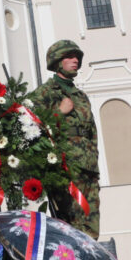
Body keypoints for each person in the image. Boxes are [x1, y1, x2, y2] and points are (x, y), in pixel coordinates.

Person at [29, 39, 100, 239]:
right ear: (57, 61)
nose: (75, 60)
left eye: (77, 57)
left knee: (91, 222)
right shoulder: (44, 93)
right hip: (65, 167)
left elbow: (92, 132)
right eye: (70, 56)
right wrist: (59, 113)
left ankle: (89, 254)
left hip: (88, 166)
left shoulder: (81, 96)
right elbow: (29, 128)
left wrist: (94, 159)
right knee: (70, 224)